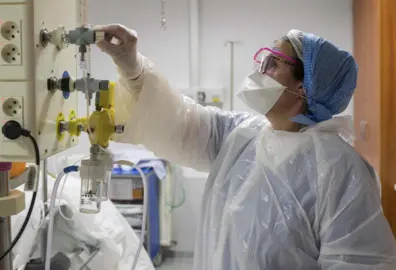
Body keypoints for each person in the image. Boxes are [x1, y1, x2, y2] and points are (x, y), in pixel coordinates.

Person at [95, 24, 396, 269]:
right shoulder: (243, 136)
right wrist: (132, 67)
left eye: (273, 63)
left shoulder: (339, 169)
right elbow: (180, 123)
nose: (259, 70)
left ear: (304, 87)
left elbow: (360, 262)